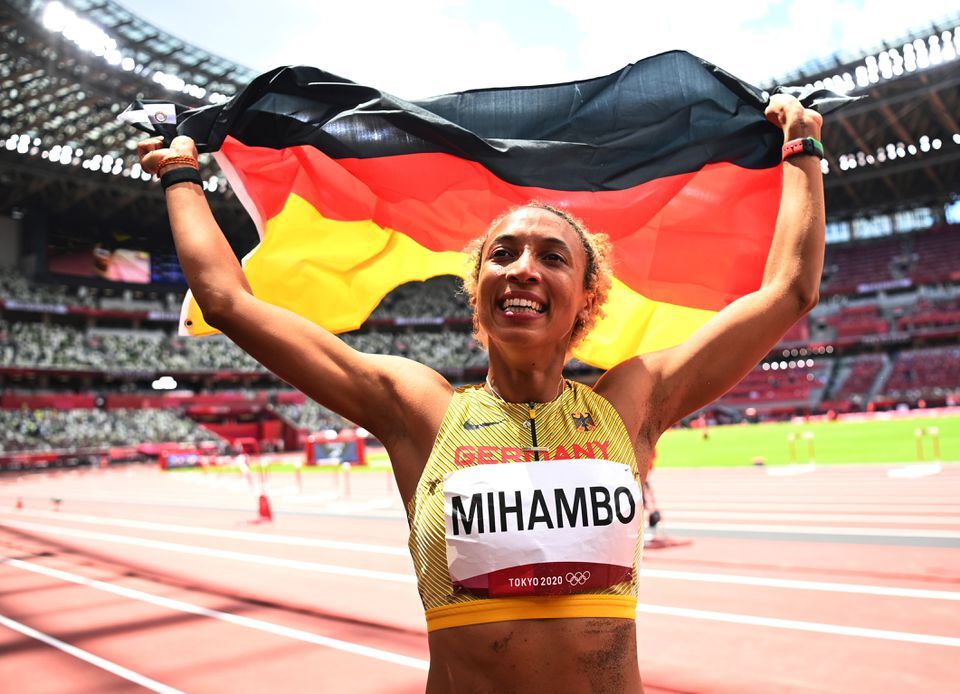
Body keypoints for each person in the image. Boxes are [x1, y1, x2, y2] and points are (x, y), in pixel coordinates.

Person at [137, 93, 824, 693]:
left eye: (552, 257)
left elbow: (789, 291)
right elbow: (227, 301)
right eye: (503, 253)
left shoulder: (631, 404)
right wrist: (181, 175)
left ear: (587, 298)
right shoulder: (418, 409)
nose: (523, 269)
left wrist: (802, 148)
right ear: (478, 291)